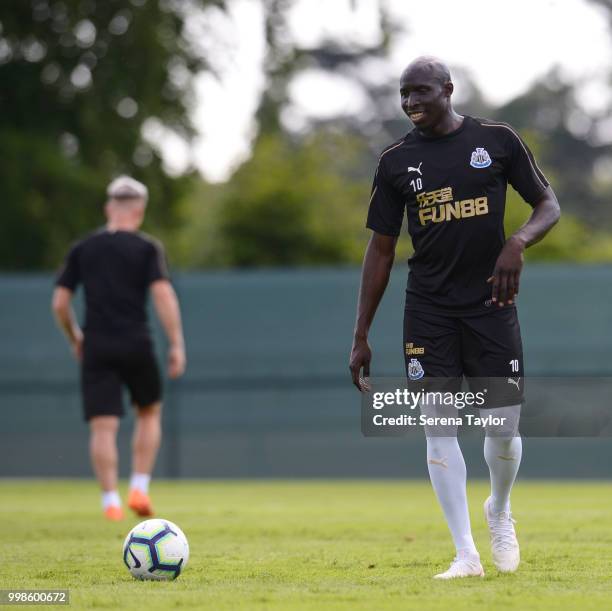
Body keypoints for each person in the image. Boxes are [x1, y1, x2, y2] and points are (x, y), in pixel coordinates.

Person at [349, 57, 560, 579]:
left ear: (447, 89)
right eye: (403, 94)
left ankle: (500, 510)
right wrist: (361, 334)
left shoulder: (498, 140)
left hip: (491, 305)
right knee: (438, 429)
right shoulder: (396, 161)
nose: (410, 102)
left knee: (502, 428)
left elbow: (548, 204)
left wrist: (517, 241)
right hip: (428, 310)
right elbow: (380, 250)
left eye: (419, 91)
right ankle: (465, 553)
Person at [52, 176, 186, 521]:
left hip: (97, 344)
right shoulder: (147, 248)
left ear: (109, 208)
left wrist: (75, 338)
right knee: (149, 412)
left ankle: (110, 500)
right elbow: (163, 295)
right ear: (139, 211)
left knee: (103, 427)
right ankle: (139, 486)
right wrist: (176, 343)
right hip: (137, 341)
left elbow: (60, 303)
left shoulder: (83, 249)